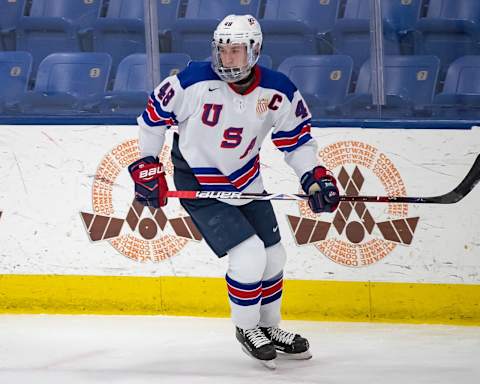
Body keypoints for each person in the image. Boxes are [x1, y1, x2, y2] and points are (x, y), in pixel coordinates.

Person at [128, 14, 340, 368]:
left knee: (274, 256)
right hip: (198, 179)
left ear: (255, 50)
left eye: (237, 51)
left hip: (246, 180)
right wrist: (148, 164)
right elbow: (152, 120)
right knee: (249, 255)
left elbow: (296, 140)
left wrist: (313, 176)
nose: (228, 58)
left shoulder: (278, 90)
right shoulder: (191, 81)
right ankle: (246, 329)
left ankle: (269, 329)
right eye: (223, 51)